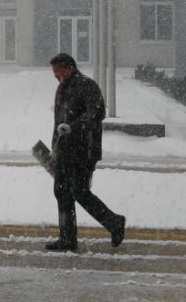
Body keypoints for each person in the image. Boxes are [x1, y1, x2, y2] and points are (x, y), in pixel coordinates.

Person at [46, 53, 125, 251]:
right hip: (65, 151)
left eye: (58, 72)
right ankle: (67, 238)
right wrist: (54, 147)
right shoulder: (62, 88)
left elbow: (97, 113)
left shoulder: (87, 85)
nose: (56, 76)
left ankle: (115, 222)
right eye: (54, 73)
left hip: (84, 151)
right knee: (61, 191)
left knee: (79, 192)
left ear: (69, 68)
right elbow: (58, 123)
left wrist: (73, 127)